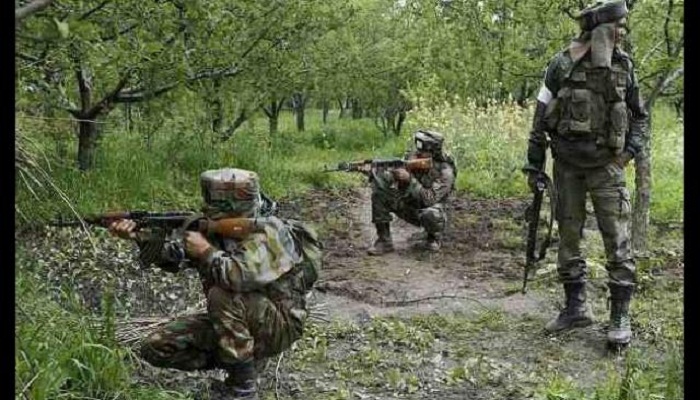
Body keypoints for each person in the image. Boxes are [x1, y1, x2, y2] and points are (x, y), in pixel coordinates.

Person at [109, 168, 322, 399]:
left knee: (222, 295)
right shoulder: (215, 230)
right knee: (156, 346)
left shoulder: (272, 232)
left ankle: (243, 388)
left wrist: (207, 252)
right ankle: (242, 362)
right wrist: (141, 239)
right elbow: (175, 258)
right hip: (241, 323)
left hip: (279, 327)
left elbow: (237, 276)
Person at [523, 0, 648, 347]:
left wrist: (626, 155)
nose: (623, 33)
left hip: (606, 168)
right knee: (568, 238)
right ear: (600, 29)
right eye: (618, 27)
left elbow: (640, 116)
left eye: (624, 27)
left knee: (617, 241)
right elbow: (539, 118)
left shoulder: (625, 67)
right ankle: (575, 307)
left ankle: (619, 316)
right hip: (567, 169)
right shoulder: (561, 64)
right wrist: (534, 165)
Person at [368, 129, 456, 255]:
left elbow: (429, 199)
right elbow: (391, 179)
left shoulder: (445, 172)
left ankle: (432, 239)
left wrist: (410, 180)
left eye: (423, 150)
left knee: (432, 214)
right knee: (379, 193)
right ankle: (384, 241)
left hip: (428, 211)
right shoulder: (411, 159)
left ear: (433, 151)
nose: (419, 152)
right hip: (409, 206)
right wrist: (378, 174)